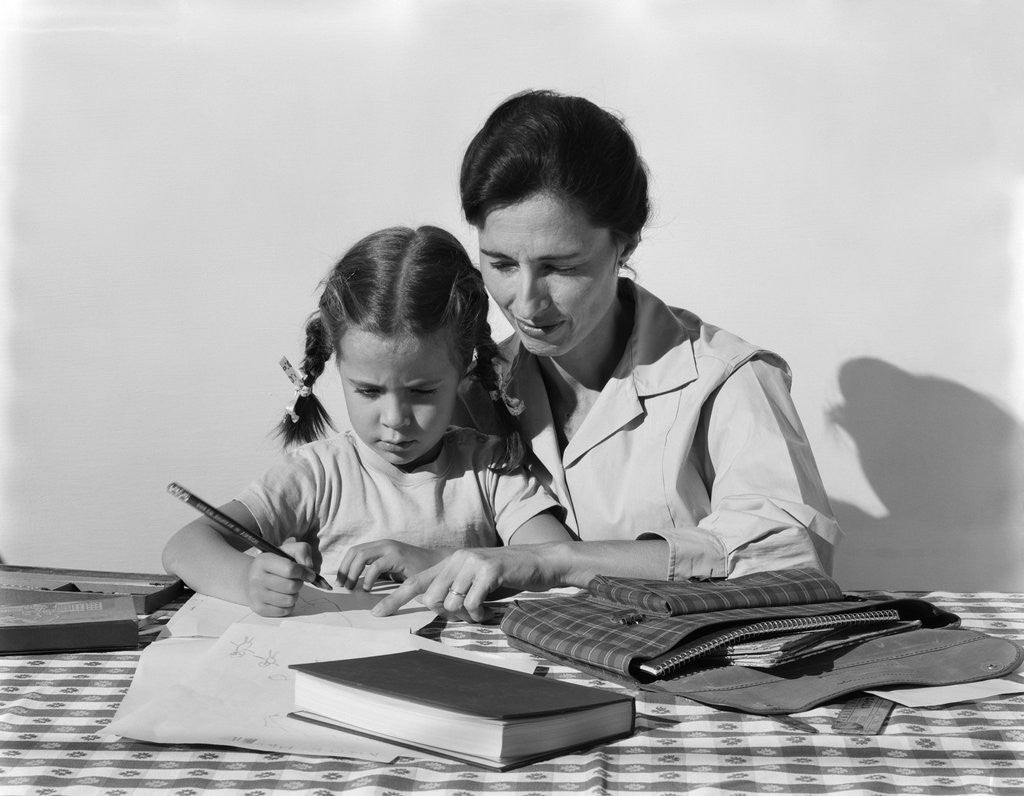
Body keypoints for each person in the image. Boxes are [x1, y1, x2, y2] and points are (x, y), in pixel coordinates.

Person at [360, 89, 842, 622]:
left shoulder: (727, 379)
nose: (526, 302)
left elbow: (792, 557)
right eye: (500, 264)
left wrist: (553, 561)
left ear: (625, 244)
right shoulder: (467, 392)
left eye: (561, 267)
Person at [161, 225, 572, 616]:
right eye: (369, 391)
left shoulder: (490, 468)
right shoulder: (318, 475)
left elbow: (554, 563)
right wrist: (251, 581)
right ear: (338, 366)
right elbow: (185, 546)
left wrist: (438, 562)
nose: (395, 419)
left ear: (464, 367)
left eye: (421, 392)